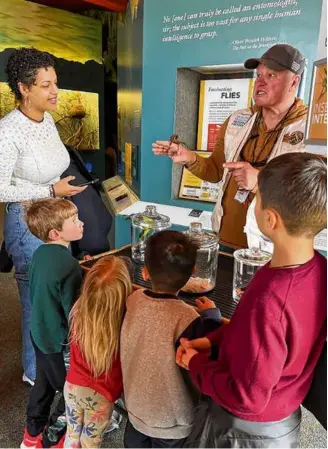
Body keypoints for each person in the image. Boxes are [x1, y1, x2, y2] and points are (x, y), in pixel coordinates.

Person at [176, 153, 327, 448]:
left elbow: (248, 398)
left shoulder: (271, 298)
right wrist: (214, 340)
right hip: (283, 412)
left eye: (257, 199)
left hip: (245, 431)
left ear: (270, 219)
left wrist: (197, 364)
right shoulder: (317, 268)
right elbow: (269, 341)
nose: (253, 205)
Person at [152, 44, 308, 251]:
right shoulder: (237, 120)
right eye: (259, 74)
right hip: (224, 239)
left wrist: (259, 183)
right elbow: (216, 171)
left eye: (271, 75)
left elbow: (311, 197)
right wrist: (189, 157)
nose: (260, 81)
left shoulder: (312, 130)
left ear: (294, 82)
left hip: (274, 249)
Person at [0, 47, 87, 385]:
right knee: (37, 304)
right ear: (24, 88)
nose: (55, 92)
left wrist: (56, 189)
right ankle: (36, 374)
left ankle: (56, 364)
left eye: (56, 83)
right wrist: (51, 192)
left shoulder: (47, 120)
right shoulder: (8, 131)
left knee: (58, 296)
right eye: (46, 85)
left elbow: (48, 167)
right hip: (27, 226)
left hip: (54, 220)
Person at [121, 230, 221, 448]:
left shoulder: (134, 299)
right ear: (193, 273)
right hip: (173, 422)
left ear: (145, 273)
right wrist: (212, 317)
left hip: (136, 408)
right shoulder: (188, 317)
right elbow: (208, 353)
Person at [20, 198, 84, 449]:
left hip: (39, 334)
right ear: (56, 232)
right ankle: (55, 438)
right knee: (71, 391)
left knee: (43, 386)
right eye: (74, 220)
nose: (81, 223)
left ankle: (31, 436)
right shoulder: (67, 264)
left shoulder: (41, 252)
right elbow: (73, 311)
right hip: (59, 341)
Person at [64, 256, 132, 448]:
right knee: (90, 443)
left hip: (72, 387)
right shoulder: (122, 325)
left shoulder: (78, 310)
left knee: (73, 435)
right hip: (100, 397)